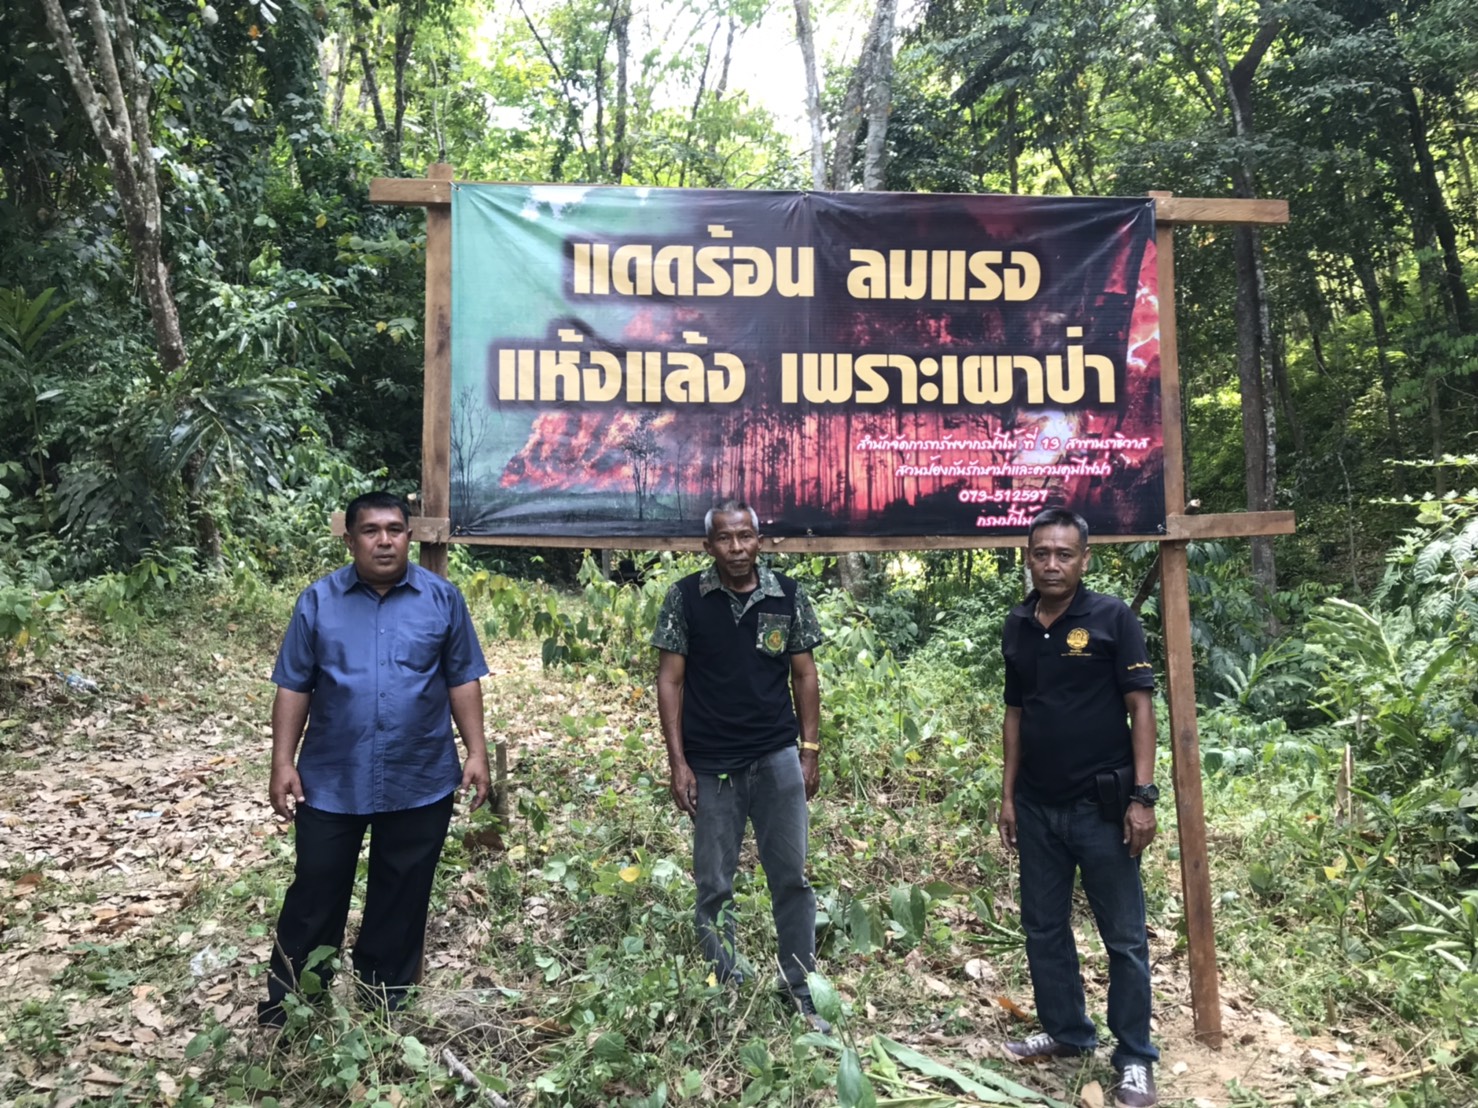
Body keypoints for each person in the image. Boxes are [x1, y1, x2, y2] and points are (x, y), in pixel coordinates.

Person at [257, 491, 491, 1026]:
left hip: (419, 772)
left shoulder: (442, 599)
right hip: (331, 778)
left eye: (394, 530)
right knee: (316, 889)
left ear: (408, 536)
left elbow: (462, 679)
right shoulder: (318, 602)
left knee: (403, 891)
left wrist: (476, 751)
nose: (384, 541)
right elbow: (293, 686)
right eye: (370, 531)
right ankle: (293, 1006)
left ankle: (386, 1002)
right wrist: (281, 762)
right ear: (350, 540)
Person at [997, 507, 1161, 1107]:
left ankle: (1135, 1057)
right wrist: (1008, 796)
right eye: (1041, 553)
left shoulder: (1113, 618)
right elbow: (1016, 713)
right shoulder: (1018, 624)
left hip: (1102, 807)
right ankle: (1067, 1032)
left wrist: (1143, 797)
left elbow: (1141, 708)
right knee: (1043, 927)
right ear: (1028, 557)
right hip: (1037, 807)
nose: (1052, 564)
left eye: (1064, 554)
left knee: (1124, 937)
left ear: (1084, 560)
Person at [651, 501, 829, 1030]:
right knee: (714, 885)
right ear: (708, 546)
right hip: (712, 765)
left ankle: (800, 989)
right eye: (725, 539)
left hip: (776, 758)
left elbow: (805, 675)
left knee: (792, 879)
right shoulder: (686, 597)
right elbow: (670, 680)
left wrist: (810, 749)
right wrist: (678, 762)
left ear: (759, 540)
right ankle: (724, 992)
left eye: (745, 536)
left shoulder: (786, 594)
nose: (736, 548)